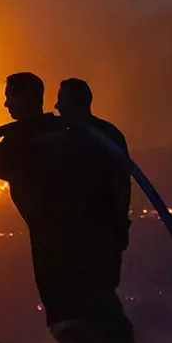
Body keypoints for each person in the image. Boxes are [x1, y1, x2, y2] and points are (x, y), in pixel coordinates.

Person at [0, 73, 135, 343]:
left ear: (25, 99)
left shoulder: (38, 141)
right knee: (100, 304)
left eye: (10, 97)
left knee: (68, 312)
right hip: (101, 239)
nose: (6, 104)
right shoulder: (79, 135)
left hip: (59, 244)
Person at [55, 78, 132, 252]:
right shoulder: (108, 133)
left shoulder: (104, 137)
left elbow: (120, 185)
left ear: (75, 104)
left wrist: (120, 225)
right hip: (77, 234)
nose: (56, 106)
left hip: (97, 234)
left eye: (61, 100)